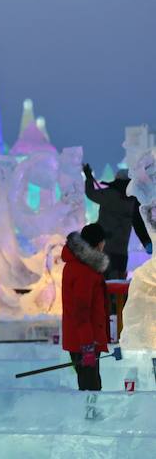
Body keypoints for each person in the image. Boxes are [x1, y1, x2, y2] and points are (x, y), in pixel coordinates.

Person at [61, 223, 110, 391]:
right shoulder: (84, 271)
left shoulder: (78, 266)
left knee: (90, 386)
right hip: (85, 342)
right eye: (103, 241)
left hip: (82, 340)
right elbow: (81, 312)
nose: (104, 245)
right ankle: (90, 418)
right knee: (91, 390)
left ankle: (91, 416)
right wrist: (88, 346)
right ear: (97, 243)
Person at [83, 164, 152, 280]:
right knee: (118, 284)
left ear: (117, 180)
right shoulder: (133, 201)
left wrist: (89, 177)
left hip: (104, 248)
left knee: (103, 282)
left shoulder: (109, 195)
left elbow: (90, 193)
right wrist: (146, 242)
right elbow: (138, 224)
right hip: (121, 251)